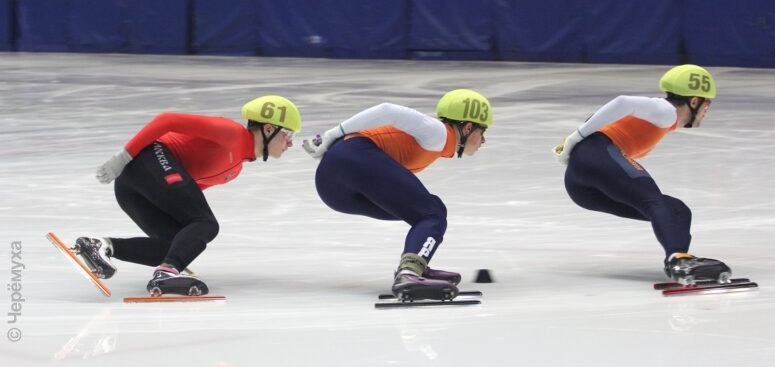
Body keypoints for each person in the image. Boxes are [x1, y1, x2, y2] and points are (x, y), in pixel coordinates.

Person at [75, 95, 302, 296]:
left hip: (134, 189)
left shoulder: (234, 170)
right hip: (144, 161)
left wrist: (186, 244)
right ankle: (166, 273)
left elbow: (182, 198)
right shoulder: (231, 133)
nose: (290, 143)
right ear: (269, 129)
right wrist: (123, 157)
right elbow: (168, 120)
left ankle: (100, 246)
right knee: (206, 224)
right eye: (288, 134)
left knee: (174, 246)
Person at [302, 89, 492, 300]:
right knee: (432, 213)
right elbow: (387, 110)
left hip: (332, 185)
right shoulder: (438, 133)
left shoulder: (437, 143)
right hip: (352, 158)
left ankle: (414, 265)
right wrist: (332, 134)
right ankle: (409, 273)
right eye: (482, 132)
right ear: (467, 127)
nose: (483, 140)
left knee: (421, 213)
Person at [553, 65, 732, 285]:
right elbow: (622, 102)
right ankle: (678, 259)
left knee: (677, 211)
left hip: (580, 184)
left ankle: (680, 262)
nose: (707, 110)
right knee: (654, 201)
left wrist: (579, 144)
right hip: (596, 157)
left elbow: (605, 117)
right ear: (694, 101)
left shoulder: (662, 118)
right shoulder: (665, 111)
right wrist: (574, 138)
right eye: (707, 104)